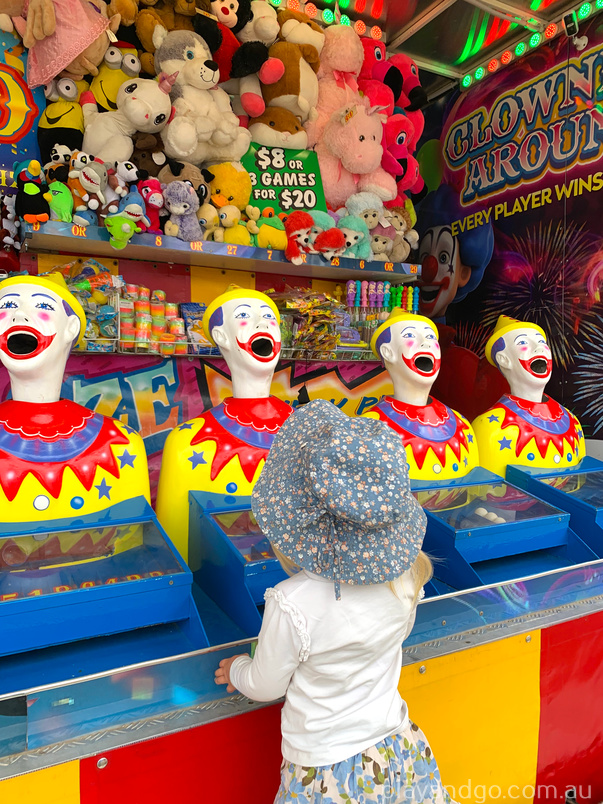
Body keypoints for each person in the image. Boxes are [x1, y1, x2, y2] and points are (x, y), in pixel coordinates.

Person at [215, 399, 456, 804]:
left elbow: (266, 684)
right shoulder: (407, 577)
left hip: (325, 775)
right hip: (399, 749)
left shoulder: (293, 602)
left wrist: (238, 669)